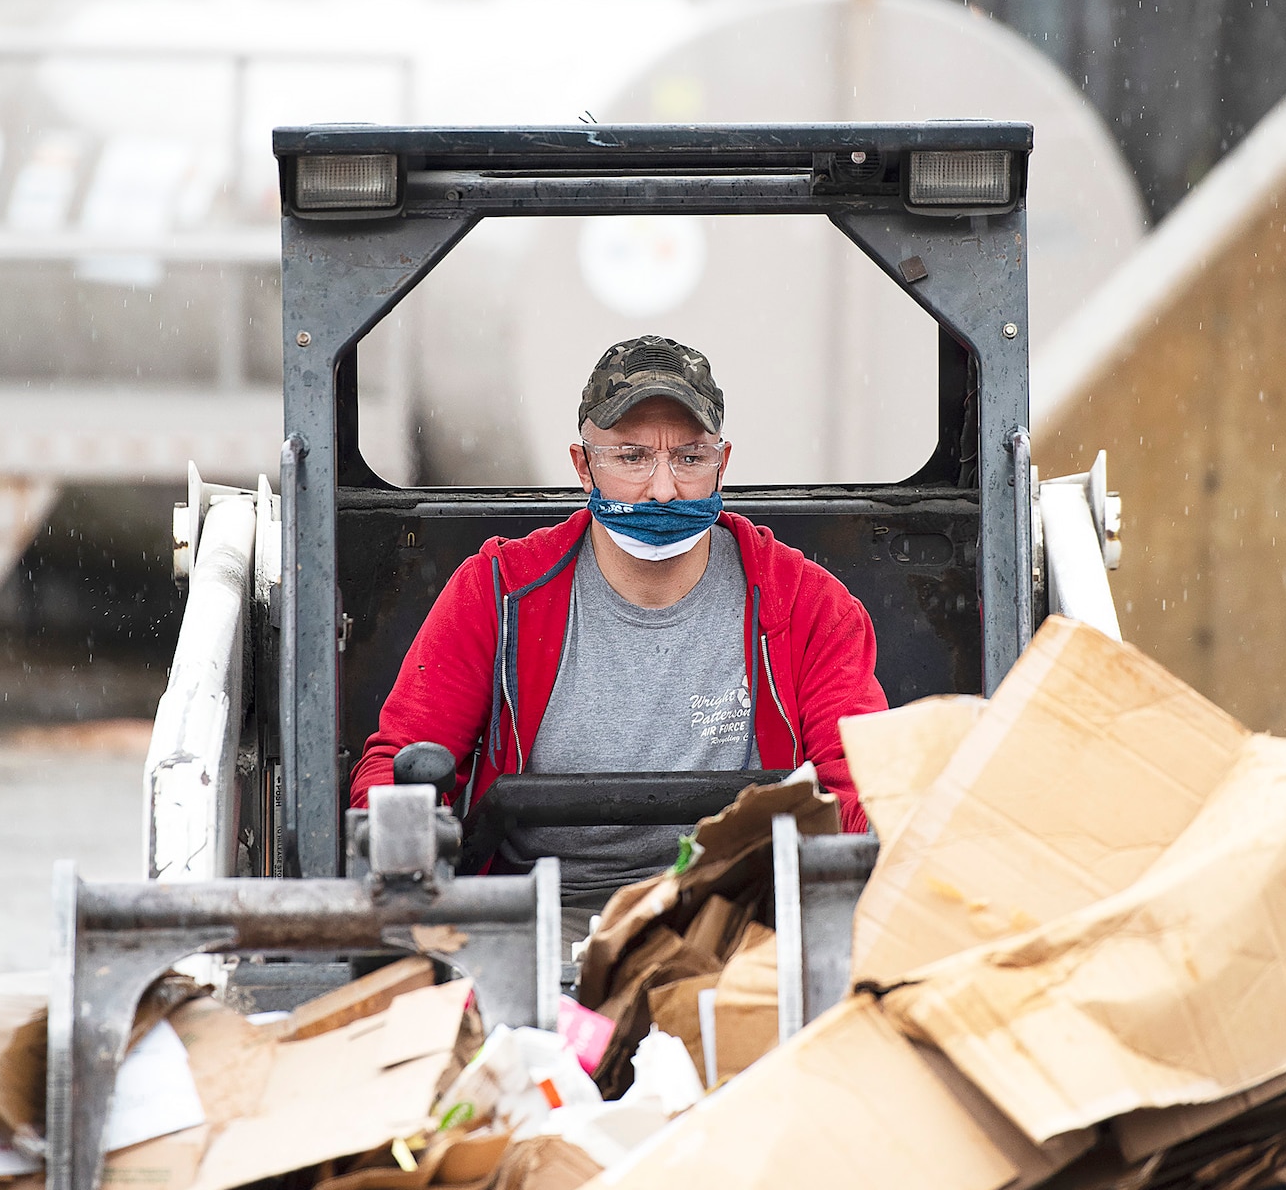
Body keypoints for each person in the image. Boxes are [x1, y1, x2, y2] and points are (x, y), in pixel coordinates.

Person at [350, 335, 888, 919]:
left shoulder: (809, 607)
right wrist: (408, 837)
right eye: (631, 457)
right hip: (535, 917)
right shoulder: (496, 593)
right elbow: (399, 764)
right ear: (584, 466)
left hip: (745, 916)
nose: (662, 489)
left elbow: (863, 793)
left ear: (722, 462)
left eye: (688, 458)